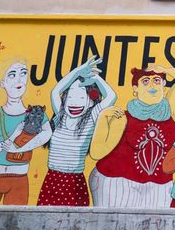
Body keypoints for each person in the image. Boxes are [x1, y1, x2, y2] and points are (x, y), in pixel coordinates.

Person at [89, 64, 175, 207]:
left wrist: (163, 70)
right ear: (135, 89)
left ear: (163, 86)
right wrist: (102, 118)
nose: (152, 85)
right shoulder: (121, 117)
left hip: (159, 187)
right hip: (117, 184)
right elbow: (96, 153)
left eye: (156, 80)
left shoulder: (169, 112)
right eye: (145, 81)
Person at [0, 58, 52, 205]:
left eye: (23, 73)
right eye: (12, 74)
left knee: (17, 223)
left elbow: (47, 133)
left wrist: (18, 148)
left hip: (19, 180)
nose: (19, 79)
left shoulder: (36, 113)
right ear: (3, 83)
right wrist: (8, 142)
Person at [37, 56, 116, 206]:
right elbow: (55, 91)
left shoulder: (91, 118)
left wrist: (95, 79)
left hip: (74, 182)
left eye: (81, 97)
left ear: (92, 101)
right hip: (52, 179)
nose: (74, 102)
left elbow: (111, 96)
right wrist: (78, 71)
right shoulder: (60, 115)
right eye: (71, 96)